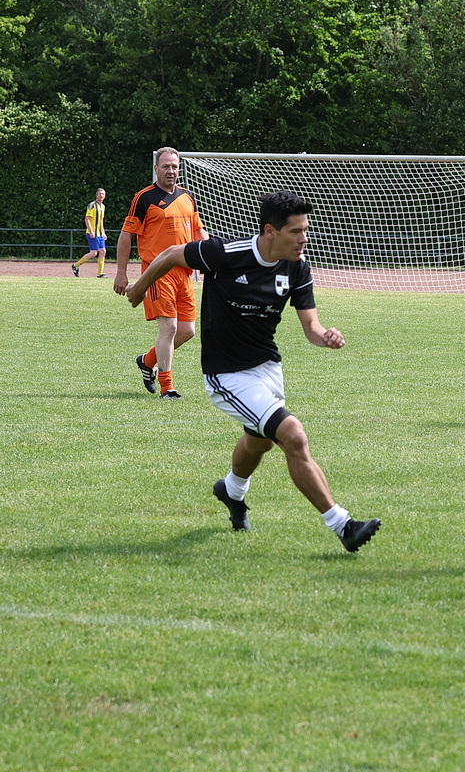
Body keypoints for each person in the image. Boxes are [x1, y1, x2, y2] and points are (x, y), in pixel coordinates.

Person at [124, 191, 381, 552]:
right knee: (292, 435)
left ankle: (231, 490)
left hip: (268, 369)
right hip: (226, 375)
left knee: (260, 441)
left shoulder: (297, 268)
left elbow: (311, 328)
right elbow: (170, 254)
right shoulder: (225, 253)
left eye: (306, 230)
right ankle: (343, 525)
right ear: (270, 231)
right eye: (295, 231)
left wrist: (325, 336)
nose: (304, 239)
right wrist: (139, 288)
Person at [112, 147, 206, 399]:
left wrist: (212, 260)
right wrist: (121, 273)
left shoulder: (187, 196)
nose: (170, 171)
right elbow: (126, 235)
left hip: (184, 273)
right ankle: (167, 387)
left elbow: (198, 231)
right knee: (170, 327)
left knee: (187, 331)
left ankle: (147, 361)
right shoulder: (144, 198)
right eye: (165, 166)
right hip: (157, 272)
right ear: (156, 169)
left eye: (174, 166)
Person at [72, 188, 109, 278]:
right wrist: (91, 231)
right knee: (93, 253)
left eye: (103, 194)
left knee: (103, 251)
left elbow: (101, 221)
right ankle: (76, 265)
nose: (101, 195)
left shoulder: (103, 206)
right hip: (93, 233)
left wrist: (103, 232)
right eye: (100, 194)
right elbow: (87, 219)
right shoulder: (92, 205)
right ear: (96, 195)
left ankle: (100, 273)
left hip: (100, 233)